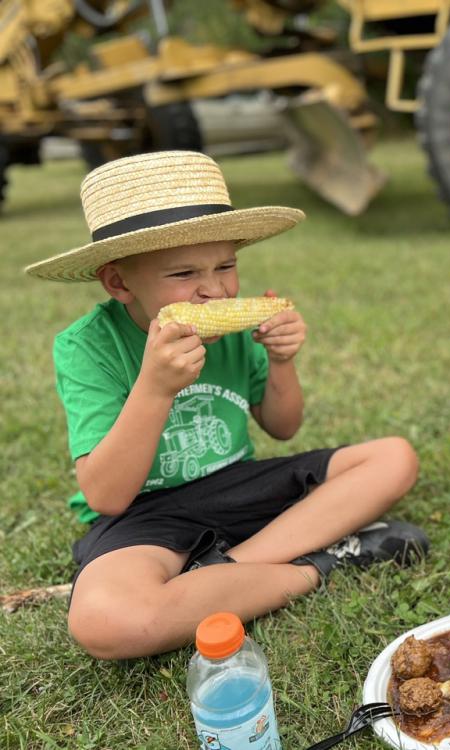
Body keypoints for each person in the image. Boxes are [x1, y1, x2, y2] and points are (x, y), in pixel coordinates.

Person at [25, 151, 428, 659]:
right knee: (104, 622)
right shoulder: (87, 346)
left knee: (394, 457)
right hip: (146, 513)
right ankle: (317, 565)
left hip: (238, 485)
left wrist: (281, 361)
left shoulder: (234, 333)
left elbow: (283, 426)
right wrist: (154, 388)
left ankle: (225, 570)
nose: (214, 290)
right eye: (184, 273)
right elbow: (107, 496)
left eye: (227, 265)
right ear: (119, 282)